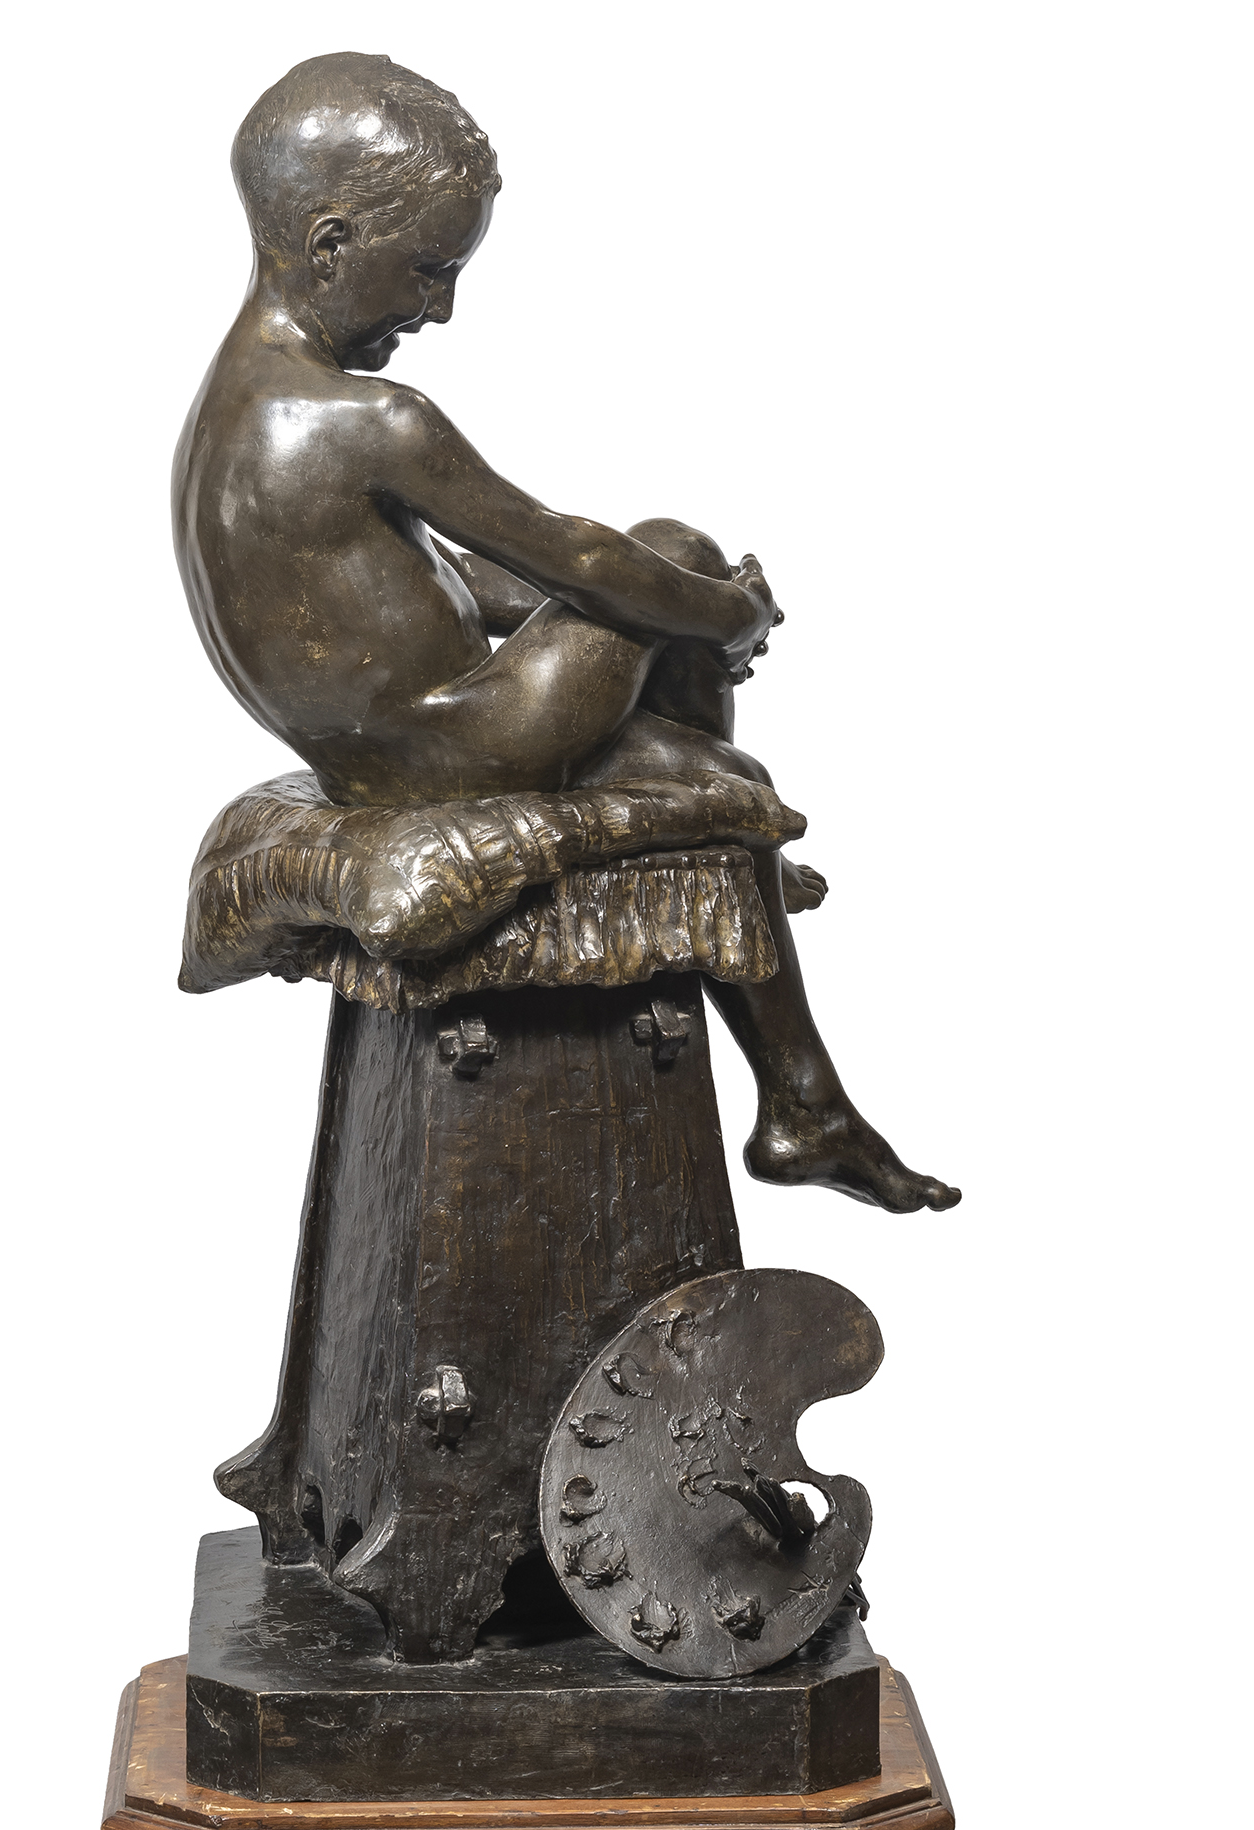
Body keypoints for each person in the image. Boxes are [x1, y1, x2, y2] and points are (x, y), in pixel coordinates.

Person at [174, 53, 955, 1212]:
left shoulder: (232, 411)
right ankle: (801, 1094)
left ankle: (803, 1098)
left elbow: (457, 583)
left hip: (382, 750)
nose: (439, 308)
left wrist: (659, 609)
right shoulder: (370, 421)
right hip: (454, 747)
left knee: (684, 690)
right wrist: (726, 613)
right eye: (429, 270)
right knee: (676, 564)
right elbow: (572, 557)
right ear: (330, 245)